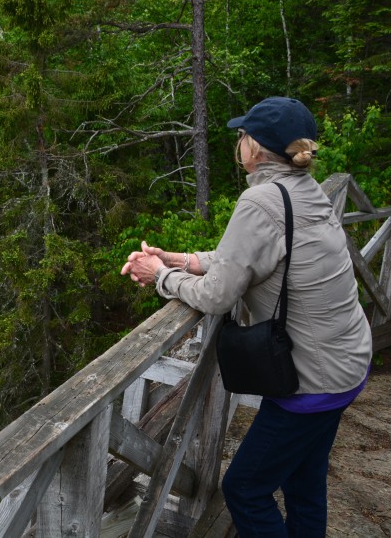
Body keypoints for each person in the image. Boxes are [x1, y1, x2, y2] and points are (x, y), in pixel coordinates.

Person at [120, 96, 372, 538]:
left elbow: (217, 296)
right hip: (347, 363)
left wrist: (159, 275)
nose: (238, 143)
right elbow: (251, 255)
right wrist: (181, 259)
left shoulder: (260, 201)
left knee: (245, 489)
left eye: (241, 136)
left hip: (311, 380)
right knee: (303, 481)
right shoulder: (304, 190)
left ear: (254, 149)